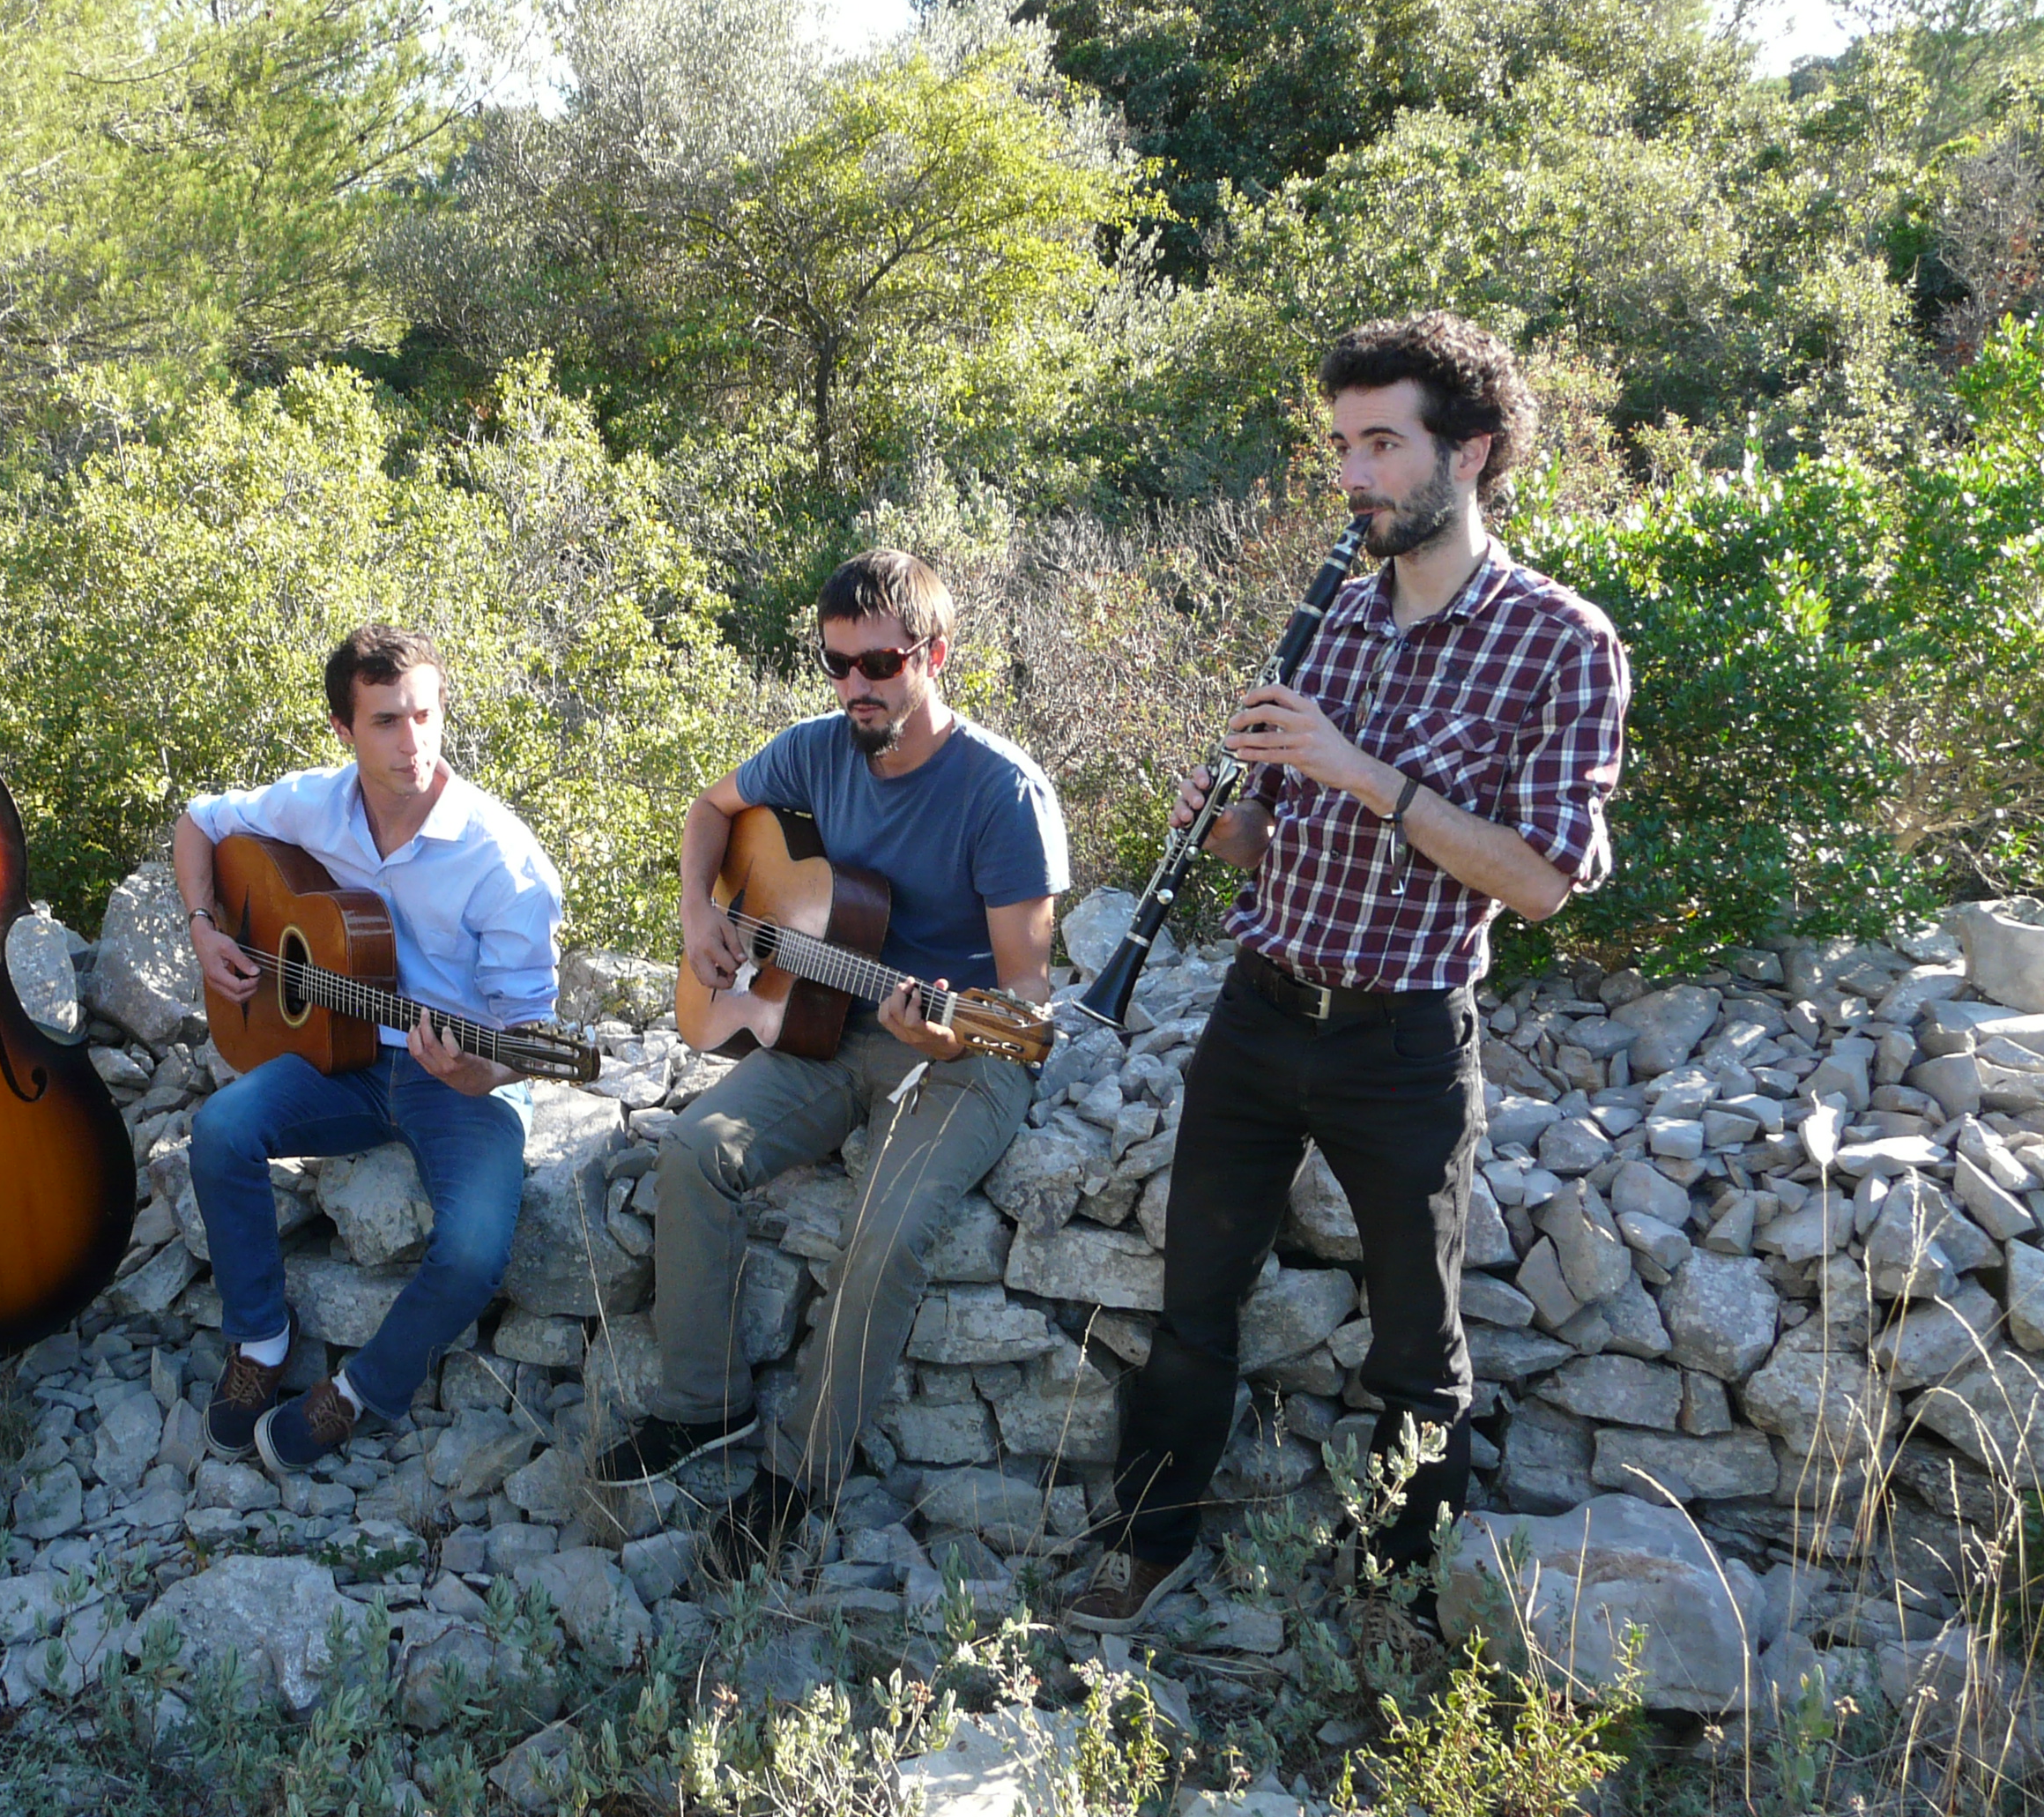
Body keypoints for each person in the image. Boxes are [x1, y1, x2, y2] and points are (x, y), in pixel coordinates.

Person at [1072, 313, 1632, 1631]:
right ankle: (1148, 1544)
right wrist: (1229, 830)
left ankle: (1392, 1593)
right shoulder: (1332, 621)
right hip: (1263, 1008)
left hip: (1403, 1038)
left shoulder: (1560, 643)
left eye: (1383, 444)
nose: (1354, 475)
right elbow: (1284, 835)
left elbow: (1543, 882)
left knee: (1415, 1345)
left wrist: (1365, 774)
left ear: (1472, 452)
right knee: (1193, 1300)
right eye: (1343, 446)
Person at [594, 549, 1067, 1578]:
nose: (856, 686)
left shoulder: (1002, 791)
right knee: (693, 1148)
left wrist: (948, 1031)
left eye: (881, 664)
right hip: (825, 1029)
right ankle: (701, 1402)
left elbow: (1028, 1001)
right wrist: (699, 915)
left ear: (934, 656)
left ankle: (801, 1475)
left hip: (964, 1054)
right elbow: (710, 812)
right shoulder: (812, 751)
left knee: (886, 1233)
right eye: (836, 663)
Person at [177, 625, 567, 1476]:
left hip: (463, 1076)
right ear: (343, 732)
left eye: (425, 715)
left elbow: (532, 1034)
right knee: (221, 1131)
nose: (412, 741)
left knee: (471, 1249)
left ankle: (359, 1393)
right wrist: (206, 926)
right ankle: (261, 1339)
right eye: (386, 720)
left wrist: (481, 1069)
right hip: (339, 1052)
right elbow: (198, 823)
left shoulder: (504, 860)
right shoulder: (312, 803)